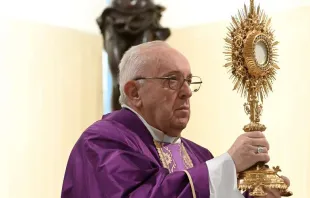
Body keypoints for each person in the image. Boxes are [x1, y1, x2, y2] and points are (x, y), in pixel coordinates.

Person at [61, 41, 290, 198]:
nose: (187, 91)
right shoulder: (101, 143)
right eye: (172, 80)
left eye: (189, 80)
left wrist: (249, 193)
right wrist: (228, 164)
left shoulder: (199, 155)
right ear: (134, 93)